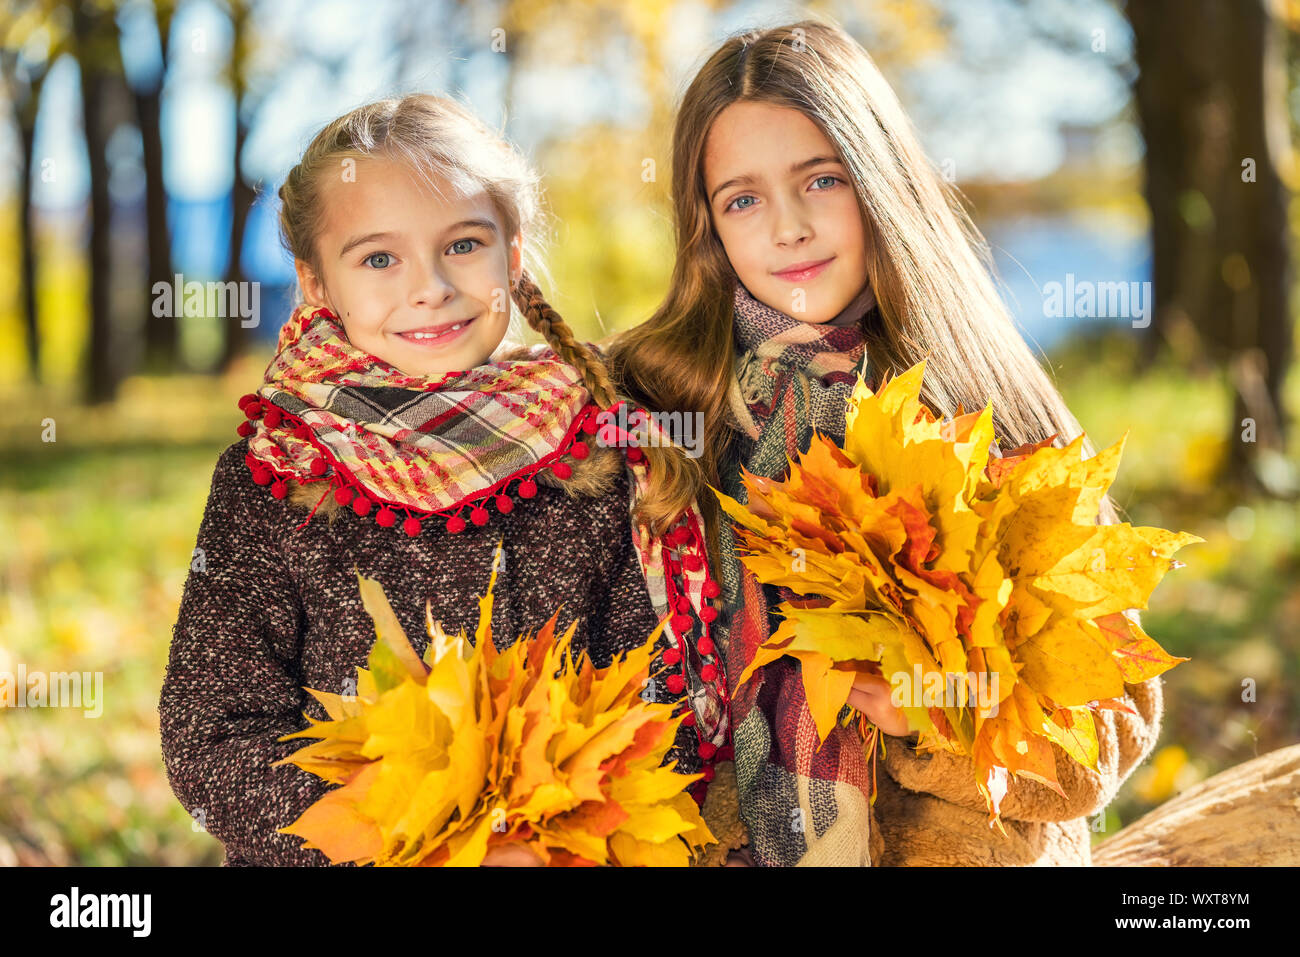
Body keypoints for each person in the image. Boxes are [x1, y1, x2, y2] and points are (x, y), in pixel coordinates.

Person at [608, 19, 1163, 866]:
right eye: (743, 199)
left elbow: (1112, 721)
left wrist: (938, 713)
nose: (787, 227)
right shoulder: (653, 410)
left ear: (879, 182)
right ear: (708, 225)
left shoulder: (985, 406)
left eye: (820, 180)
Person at [159, 94, 728, 866]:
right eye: (379, 258)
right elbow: (210, 736)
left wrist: (557, 834)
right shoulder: (275, 471)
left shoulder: (592, 452)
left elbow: (661, 698)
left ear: (513, 255)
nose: (428, 287)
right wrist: (419, 839)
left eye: (462, 244)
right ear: (316, 281)